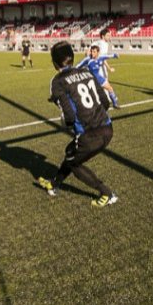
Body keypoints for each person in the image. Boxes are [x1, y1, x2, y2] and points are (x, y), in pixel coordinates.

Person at [38, 41, 118, 207]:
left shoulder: (58, 81)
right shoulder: (86, 71)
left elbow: (69, 116)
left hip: (89, 135)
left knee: (74, 162)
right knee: (70, 152)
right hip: (108, 128)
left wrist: (67, 122)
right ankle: (54, 184)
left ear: (54, 63)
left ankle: (107, 193)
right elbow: (105, 102)